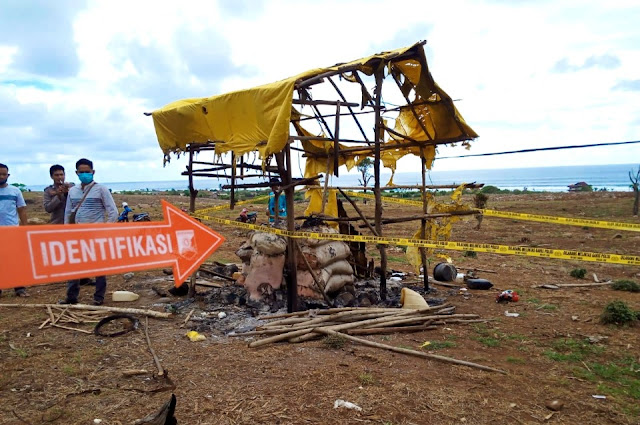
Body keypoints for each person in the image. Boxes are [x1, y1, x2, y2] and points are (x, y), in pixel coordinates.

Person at [59, 158, 118, 306]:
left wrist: (106, 229)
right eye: (82, 172)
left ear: (93, 172)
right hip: (77, 234)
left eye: (87, 171)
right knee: (74, 266)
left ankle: (98, 297)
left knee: (99, 267)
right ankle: (71, 297)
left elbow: (113, 212)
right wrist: (67, 230)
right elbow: (68, 212)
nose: (85, 174)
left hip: (96, 234)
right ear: (76, 173)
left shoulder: (101, 189)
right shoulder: (73, 191)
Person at [0, 163, 28, 297]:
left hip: (12, 231)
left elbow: (21, 209)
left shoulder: (15, 191)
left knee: (15, 260)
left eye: (4, 174)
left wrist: (24, 227)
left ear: (8, 175)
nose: (1, 176)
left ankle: (19, 288)